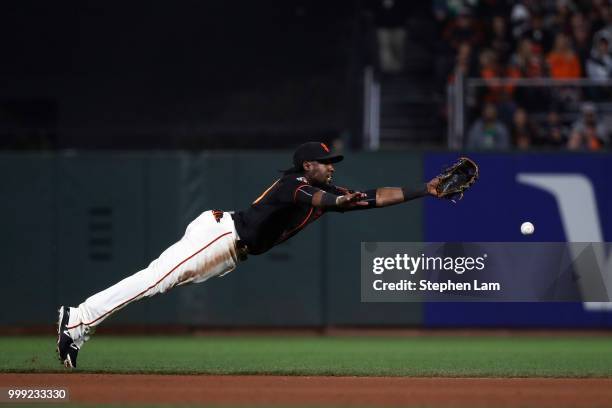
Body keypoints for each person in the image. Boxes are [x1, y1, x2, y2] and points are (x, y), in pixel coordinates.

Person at [57, 142, 442, 368]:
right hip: (221, 236)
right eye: (326, 162)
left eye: (332, 163)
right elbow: (331, 201)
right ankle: (78, 319)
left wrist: (426, 189)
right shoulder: (296, 184)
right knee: (156, 278)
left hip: (228, 252)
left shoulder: (320, 189)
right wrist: (342, 200)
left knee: (157, 284)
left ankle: (79, 323)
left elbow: (372, 198)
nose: (330, 166)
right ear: (308, 165)